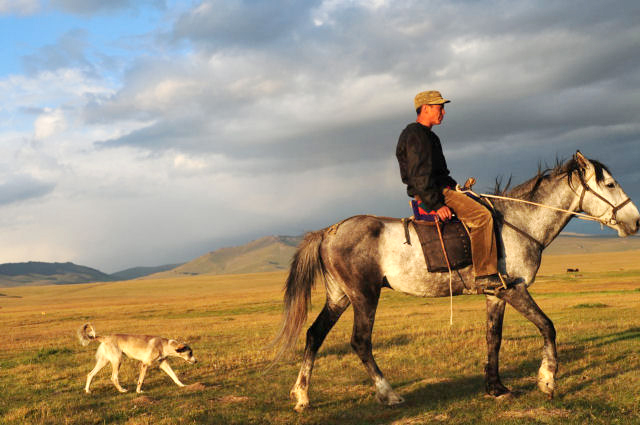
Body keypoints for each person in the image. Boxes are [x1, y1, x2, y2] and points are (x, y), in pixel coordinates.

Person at [395, 90, 508, 289]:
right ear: (426, 108)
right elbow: (419, 176)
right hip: (434, 193)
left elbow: (441, 173)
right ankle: (485, 275)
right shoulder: (416, 135)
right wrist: (437, 204)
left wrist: (458, 187)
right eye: (440, 108)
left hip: (441, 189)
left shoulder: (429, 137)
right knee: (483, 217)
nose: (443, 112)